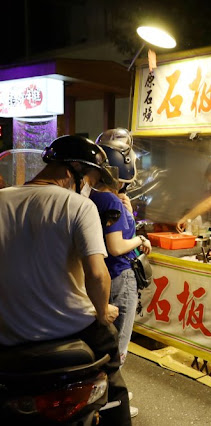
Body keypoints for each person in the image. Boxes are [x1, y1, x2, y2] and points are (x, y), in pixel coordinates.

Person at [0, 135, 132, 425]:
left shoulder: (2, 199)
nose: (90, 187)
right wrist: (102, 311)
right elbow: (97, 274)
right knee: (114, 384)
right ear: (74, 169)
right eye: (92, 179)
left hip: (8, 334)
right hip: (73, 328)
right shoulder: (78, 206)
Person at [92, 128, 151, 418]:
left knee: (102, 339)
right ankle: (109, 399)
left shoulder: (93, 196)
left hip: (99, 275)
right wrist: (139, 240)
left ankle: (108, 391)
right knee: (118, 343)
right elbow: (116, 247)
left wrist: (127, 212)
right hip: (119, 275)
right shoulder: (112, 201)